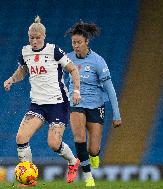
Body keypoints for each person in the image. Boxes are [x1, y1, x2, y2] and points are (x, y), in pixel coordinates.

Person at [4, 16, 81, 186]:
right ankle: (29, 179)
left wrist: (76, 90)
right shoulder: (25, 52)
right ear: (28, 37)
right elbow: (22, 72)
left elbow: (73, 69)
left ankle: (72, 161)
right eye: (32, 38)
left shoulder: (54, 51)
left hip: (58, 104)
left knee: (53, 144)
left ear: (44, 37)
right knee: (21, 137)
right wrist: (11, 79)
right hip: (38, 104)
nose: (35, 41)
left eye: (38, 38)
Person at [64, 21, 122, 187]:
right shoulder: (67, 59)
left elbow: (109, 88)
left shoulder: (98, 61)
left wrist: (117, 114)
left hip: (96, 106)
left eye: (79, 42)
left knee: (93, 149)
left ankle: (93, 156)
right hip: (76, 103)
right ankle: (88, 177)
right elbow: (58, 78)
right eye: (73, 42)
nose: (76, 46)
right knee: (79, 136)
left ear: (86, 42)